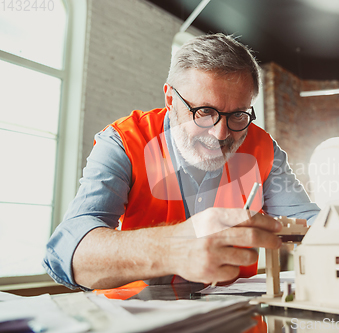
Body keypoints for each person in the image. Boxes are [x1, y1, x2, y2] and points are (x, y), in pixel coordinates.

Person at [43, 33, 320, 291]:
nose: (221, 133)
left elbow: (312, 226)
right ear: (169, 99)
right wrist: (173, 248)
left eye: (237, 114)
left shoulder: (264, 148)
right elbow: (67, 253)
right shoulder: (124, 141)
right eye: (204, 112)